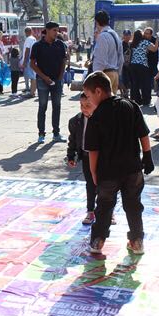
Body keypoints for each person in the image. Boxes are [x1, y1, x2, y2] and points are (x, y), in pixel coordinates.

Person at [83, 71, 154, 255]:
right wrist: (147, 155)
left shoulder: (96, 116)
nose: (89, 100)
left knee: (104, 206)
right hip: (133, 169)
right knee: (133, 205)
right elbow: (143, 134)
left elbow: (93, 150)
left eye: (89, 96)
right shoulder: (131, 105)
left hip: (108, 172)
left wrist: (93, 173)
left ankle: (97, 241)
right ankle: (137, 241)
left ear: (98, 91)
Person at [30, 21, 68, 144]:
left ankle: (56, 133)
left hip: (57, 80)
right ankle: (41, 133)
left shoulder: (60, 44)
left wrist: (61, 76)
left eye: (57, 31)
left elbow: (63, 61)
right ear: (47, 30)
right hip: (42, 80)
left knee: (57, 106)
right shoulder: (37, 45)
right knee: (42, 106)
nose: (56, 33)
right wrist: (44, 77)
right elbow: (32, 64)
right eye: (54, 30)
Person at [67, 95, 96, 225]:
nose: (84, 109)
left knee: (105, 185)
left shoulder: (102, 119)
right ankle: (90, 211)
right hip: (86, 156)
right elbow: (72, 140)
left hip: (102, 157)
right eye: (81, 106)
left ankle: (108, 211)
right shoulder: (75, 121)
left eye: (88, 106)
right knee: (90, 184)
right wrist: (71, 156)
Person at [91, 10, 124, 94]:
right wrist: (118, 73)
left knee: (102, 104)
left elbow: (101, 60)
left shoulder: (103, 36)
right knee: (111, 104)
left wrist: (95, 77)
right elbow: (121, 58)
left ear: (97, 22)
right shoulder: (115, 35)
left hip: (105, 74)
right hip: (115, 73)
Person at [128, 29, 158, 105]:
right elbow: (154, 49)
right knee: (145, 83)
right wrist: (157, 40)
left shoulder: (132, 43)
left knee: (135, 84)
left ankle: (137, 100)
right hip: (142, 65)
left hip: (133, 65)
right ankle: (146, 100)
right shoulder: (145, 42)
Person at [21, 27, 37, 96]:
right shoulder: (34, 38)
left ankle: (32, 92)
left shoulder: (28, 39)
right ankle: (32, 90)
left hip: (29, 60)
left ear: (26, 32)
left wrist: (24, 61)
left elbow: (27, 50)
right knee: (33, 76)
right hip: (33, 58)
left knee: (32, 76)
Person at [120, 29, 133, 97]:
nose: (126, 37)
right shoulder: (120, 44)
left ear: (130, 36)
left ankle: (127, 91)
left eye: (128, 35)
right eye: (125, 35)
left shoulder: (131, 44)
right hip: (122, 65)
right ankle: (124, 92)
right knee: (122, 79)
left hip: (130, 65)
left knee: (128, 79)